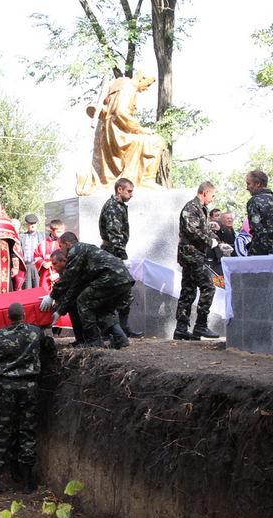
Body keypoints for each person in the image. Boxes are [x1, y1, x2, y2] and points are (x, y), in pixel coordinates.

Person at [0, 302, 54, 494]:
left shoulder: (0, 334)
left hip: (5, 387)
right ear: (24, 315)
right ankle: (27, 481)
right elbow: (50, 349)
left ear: (9, 317)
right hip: (29, 386)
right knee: (27, 431)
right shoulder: (35, 332)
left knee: (1, 431)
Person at [82, 71, 166, 194]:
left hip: (111, 131)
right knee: (156, 141)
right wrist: (140, 129)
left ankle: (145, 179)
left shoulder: (119, 85)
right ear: (141, 78)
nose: (146, 89)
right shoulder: (129, 88)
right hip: (118, 134)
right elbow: (121, 113)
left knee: (151, 141)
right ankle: (146, 180)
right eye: (147, 85)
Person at [53, 232, 133, 348]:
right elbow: (75, 287)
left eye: (61, 246)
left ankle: (93, 341)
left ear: (68, 243)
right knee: (102, 310)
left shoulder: (76, 250)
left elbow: (68, 280)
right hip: (123, 279)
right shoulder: (85, 250)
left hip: (112, 278)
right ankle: (121, 338)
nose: (61, 250)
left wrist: (52, 296)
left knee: (83, 301)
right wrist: (60, 310)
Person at [174, 182, 220, 341]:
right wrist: (210, 242)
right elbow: (192, 231)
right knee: (209, 286)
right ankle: (200, 325)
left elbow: (204, 230)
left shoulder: (201, 209)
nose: (212, 199)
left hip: (195, 253)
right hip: (190, 253)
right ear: (205, 192)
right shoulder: (191, 207)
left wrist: (218, 241)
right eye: (212, 195)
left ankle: (181, 328)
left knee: (188, 291)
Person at [98, 177, 142, 338]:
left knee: (124, 292)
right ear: (119, 189)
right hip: (112, 253)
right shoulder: (112, 207)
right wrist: (122, 257)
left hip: (116, 252)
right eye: (129, 191)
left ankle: (122, 328)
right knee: (112, 292)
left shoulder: (119, 206)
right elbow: (114, 235)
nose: (131, 195)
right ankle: (108, 330)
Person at [33, 219, 66, 292]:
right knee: (45, 294)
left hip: (61, 274)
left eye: (62, 232)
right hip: (46, 275)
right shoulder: (43, 244)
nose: (61, 234)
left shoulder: (65, 243)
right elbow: (36, 256)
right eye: (58, 232)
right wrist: (43, 263)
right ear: (51, 231)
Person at [19, 214, 45, 289]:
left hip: (38, 266)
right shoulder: (21, 237)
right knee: (27, 289)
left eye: (34, 223)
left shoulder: (42, 237)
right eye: (30, 224)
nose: (32, 225)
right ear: (27, 224)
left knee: (39, 288)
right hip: (26, 266)